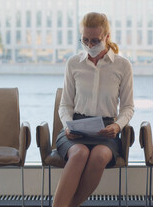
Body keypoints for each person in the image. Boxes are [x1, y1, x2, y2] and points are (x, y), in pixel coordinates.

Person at [54, 12, 134, 207]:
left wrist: (117, 126)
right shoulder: (73, 63)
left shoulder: (123, 66)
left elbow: (128, 107)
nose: (90, 45)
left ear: (107, 37)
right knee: (79, 154)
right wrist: (67, 126)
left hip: (106, 130)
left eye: (95, 40)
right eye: (85, 40)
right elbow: (65, 105)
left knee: (98, 156)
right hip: (75, 128)